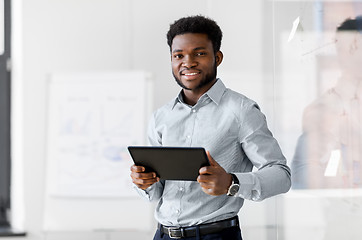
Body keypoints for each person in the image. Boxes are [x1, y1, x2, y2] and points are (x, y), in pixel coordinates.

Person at [130, 15, 291, 240]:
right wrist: (143, 183)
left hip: (215, 235)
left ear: (217, 57)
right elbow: (155, 194)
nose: (188, 62)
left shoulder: (241, 110)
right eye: (179, 55)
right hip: (163, 234)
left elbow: (281, 175)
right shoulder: (161, 117)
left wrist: (232, 183)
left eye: (199, 53)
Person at [291, 16, 362, 189]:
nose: (354, 49)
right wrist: (336, 151)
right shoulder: (320, 111)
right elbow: (306, 176)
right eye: (350, 45)